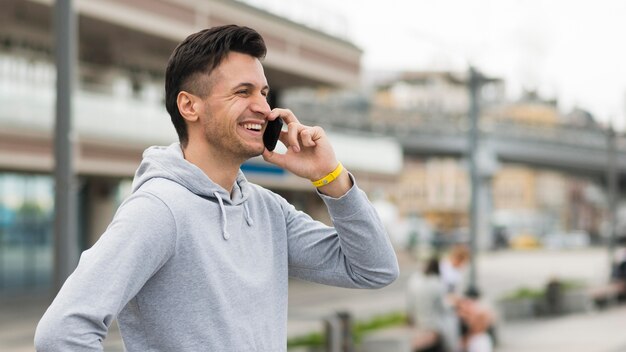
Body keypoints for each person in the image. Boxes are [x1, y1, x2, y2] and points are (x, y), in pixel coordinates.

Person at [34, 25, 399, 351]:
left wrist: (329, 175)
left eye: (264, 92)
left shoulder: (268, 210)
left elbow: (374, 269)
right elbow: (62, 332)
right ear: (189, 105)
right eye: (243, 92)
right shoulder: (158, 210)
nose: (264, 108)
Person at [407, 257, 460, 352]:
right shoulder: (437, 283)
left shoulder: (414, 280)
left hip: (419, 326)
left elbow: (410, 306)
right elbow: (443, 308)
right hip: (434, 328)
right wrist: (454, 303)